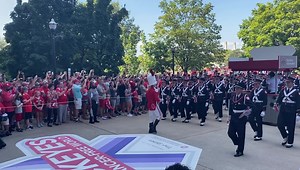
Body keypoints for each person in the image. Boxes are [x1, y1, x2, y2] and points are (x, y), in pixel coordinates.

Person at [274, 76, 300, 148]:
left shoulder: (296, 92)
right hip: (283, 109)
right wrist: (276, 104)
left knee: (290, 127)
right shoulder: (283, 90)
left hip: (291, 110)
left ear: (292, 83)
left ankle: (290, 142)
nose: (287, 84)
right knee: (280, 124)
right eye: (286, 82)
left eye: (288, 82)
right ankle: (285, 136)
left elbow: (298, 102)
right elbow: (279, 99)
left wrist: (298, 113)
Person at [228, 82, 251, 157]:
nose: (236, 90)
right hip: (234, 115)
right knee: (230, 132)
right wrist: (230, 115)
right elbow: (231, 106)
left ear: (241, 89)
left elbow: (251, 107)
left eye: (238, 88)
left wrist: (244, 114)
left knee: (241, 134)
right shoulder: (233, 96)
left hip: (241, 117)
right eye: (236, 88)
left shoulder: (245, 97)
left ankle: (240, 150)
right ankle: (238, 143)